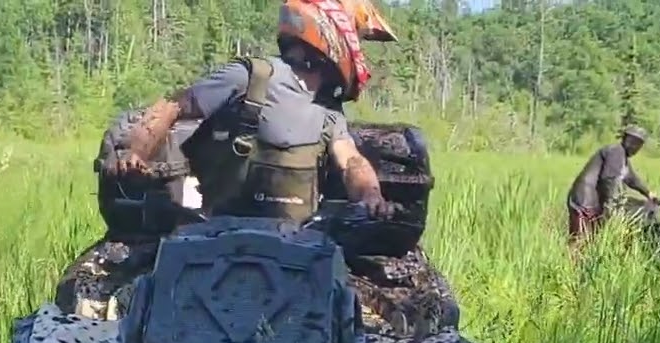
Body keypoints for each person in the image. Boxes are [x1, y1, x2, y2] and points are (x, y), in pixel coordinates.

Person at [57, 0, 403, 319]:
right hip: (217, 230)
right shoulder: (252, 76)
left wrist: (371, 195)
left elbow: (351, 160)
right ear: (333, 32)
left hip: (294, 241)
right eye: (356, 38)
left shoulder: (329, 109)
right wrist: (136, 153)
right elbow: (175, 106)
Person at [565, 125, 660, 256]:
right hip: (585, 200)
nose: (635, 147)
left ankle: (581, 266)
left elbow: (631, 179)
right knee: (580, 239)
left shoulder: (622, 158)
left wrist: (648, 193)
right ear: (627, 140)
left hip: (592, 201)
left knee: (590, 240)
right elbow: (609, 180)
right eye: (634, 142)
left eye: (639, 144)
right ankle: (570, 268)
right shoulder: (615, 152)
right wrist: (613, 207)